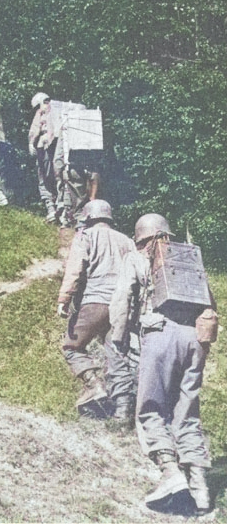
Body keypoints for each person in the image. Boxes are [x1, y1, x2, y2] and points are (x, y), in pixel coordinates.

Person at [109, 213, 217, 513]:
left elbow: (122, 299)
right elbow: (210, 303)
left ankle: (170, 474)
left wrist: (118, 336)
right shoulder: (187, 258)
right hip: (195, 339)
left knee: (151, 408)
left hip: (159, 335)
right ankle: (200, 487)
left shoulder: (136, 258)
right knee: (187, 411)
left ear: (140, 237)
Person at [57, 199, 137, 418]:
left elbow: (75, 269)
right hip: (123, 306)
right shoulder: (128, 241)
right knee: (117, 355)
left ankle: (94, 386)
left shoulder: (86, 236)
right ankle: (122, 411)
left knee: (71, 347)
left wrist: (64, 298)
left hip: (95, 301)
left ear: (88, 217)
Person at [28, 93, 58, 222]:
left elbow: (35, 129)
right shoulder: (58, 109)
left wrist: (31, 142)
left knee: (44, 179)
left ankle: (51, 209)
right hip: (59, 147)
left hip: (44, 146)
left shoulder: (42, 111)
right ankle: (63, 210)